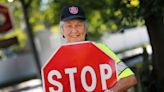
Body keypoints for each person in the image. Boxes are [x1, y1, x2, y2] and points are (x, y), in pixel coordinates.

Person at [59, 5, 137, 92]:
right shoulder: (57, 60)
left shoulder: (101, 50)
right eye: (69, 26)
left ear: (85, 28)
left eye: (79, 25)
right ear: (62, 30)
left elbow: (130, 79)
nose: (74, 30)